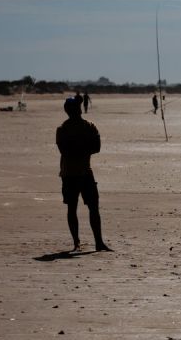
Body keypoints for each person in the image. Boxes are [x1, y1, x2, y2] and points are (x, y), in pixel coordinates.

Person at [56, 97, 111, 252]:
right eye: (75, 108)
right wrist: (84, 147)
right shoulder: (63, 129)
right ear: (69, 111)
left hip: (85, 173)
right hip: (70, 174)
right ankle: (77, 242)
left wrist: (77, 147)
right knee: (73, 208)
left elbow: (96, 147)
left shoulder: (88, 126)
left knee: (93, 207)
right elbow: (65, 151)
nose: (78, 110)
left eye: (78, 107)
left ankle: (98, 242)